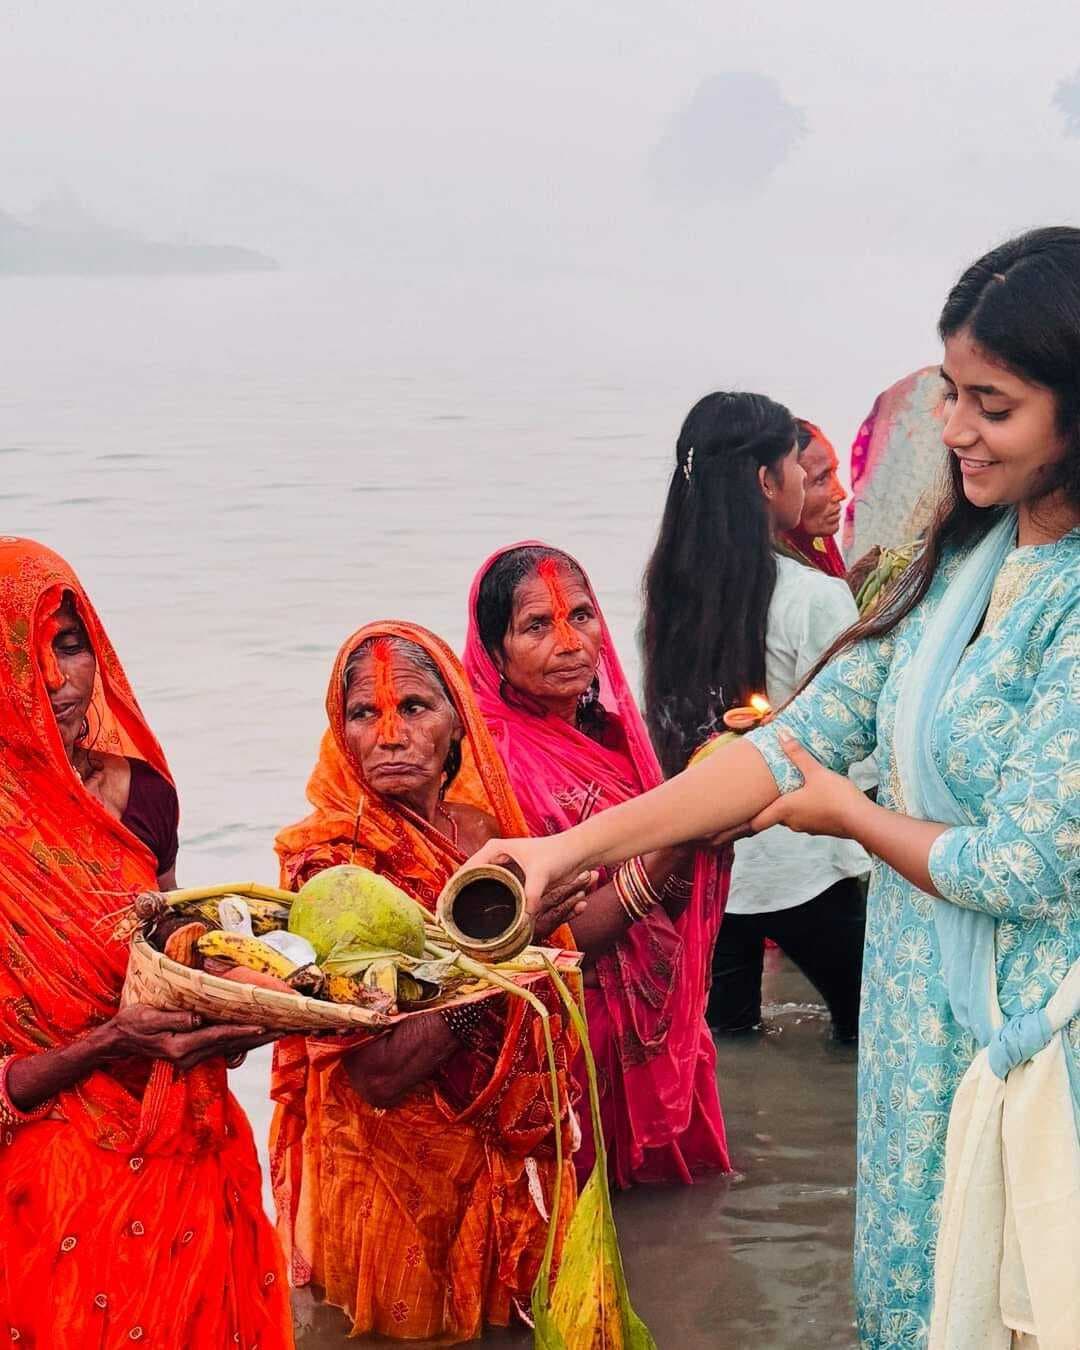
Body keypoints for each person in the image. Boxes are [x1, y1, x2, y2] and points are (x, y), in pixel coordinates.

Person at [464, 228, 1080, 1349]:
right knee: (914, 1300)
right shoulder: (963, 570)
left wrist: (843, 813)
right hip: (916, 1038)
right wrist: (569, 852)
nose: (952, 431)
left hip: (1032, 1049)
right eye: (951, 394)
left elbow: (1022, 867)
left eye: (994, 406)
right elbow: (788, 742)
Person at [0, 538, 292, 1348]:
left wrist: (238, 1007)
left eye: (71, 643)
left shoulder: (143, 792)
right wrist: (100, 1046)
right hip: (43, 1165)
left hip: (181, 1134)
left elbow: (160, 958)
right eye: (25, 652)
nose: (57, 679)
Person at [269, 621, 583, 1343]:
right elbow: (378, 1073)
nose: (389, 734)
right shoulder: (329, 867)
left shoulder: (485, 834)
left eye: (412, 707)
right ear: (338, 733)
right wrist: (502, 958)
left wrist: (663, 856)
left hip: (502, 1157)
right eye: (363, 714)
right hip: (391, 1179)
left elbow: (558, 953)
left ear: (457, 726)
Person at [463, 545, 730, 1188]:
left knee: (675, 1232)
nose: (570, 642)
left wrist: (715, 807)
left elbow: (674, 883)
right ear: (491, 650)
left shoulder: (614, 734)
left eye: (581, 616)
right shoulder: (483, 765)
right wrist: (682, 834)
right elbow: (541, 937)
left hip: (655, 1014)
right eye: (536, 626)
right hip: (568, 1038)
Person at [642, 393, 870, 1040]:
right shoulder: (814, 599)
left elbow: (662, 733)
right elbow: (861, 744)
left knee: (725, 1046)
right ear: (767, 482)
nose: (804, 479)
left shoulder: (665, 598)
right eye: (797, 466)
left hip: (709, 870)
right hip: (810, 866)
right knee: (869, 1037)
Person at [778, 418, 849, 578]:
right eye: (821, 478)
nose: (841, 493)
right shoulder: (779, 576)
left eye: (834, 472)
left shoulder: (819, 539)